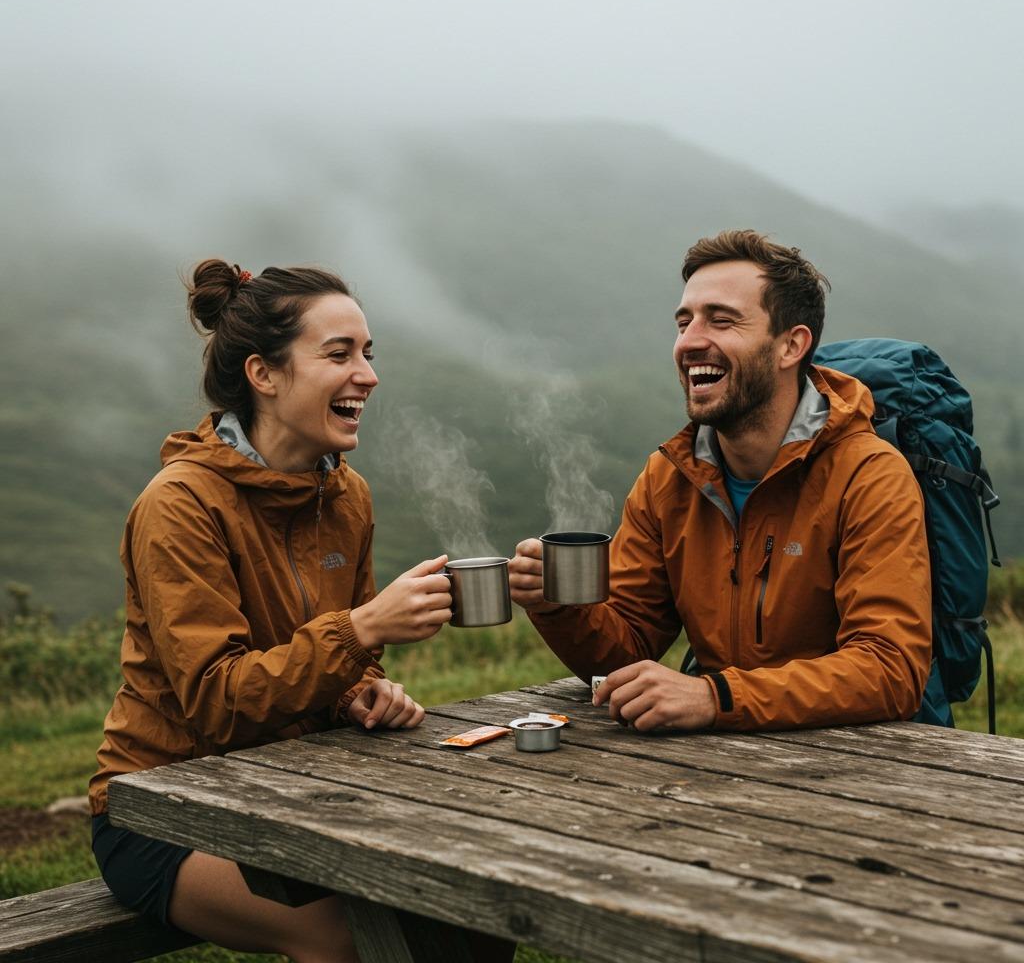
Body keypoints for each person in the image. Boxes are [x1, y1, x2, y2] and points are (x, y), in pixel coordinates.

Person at [89, 260, 460, 962]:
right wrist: (362, 629)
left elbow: (340, 659)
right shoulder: (180, 506)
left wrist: (364, 690)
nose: (369, 375)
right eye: (340, 354)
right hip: (161, 808)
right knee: (349, 939)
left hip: (291, 786)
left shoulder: (347, 497)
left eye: (370, 354)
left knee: (466, 909)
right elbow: (217, 700)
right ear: (264, 374)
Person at [509, 230, 932, 732]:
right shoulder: (670, 476)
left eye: (722, 320)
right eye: (683, 322)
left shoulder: (868, 475)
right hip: (711, 768)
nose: (689, 342)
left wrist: (716, 697)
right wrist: (559, 606)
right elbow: (625, 650)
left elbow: (889, 669)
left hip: (852, 768)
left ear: (790, 346)